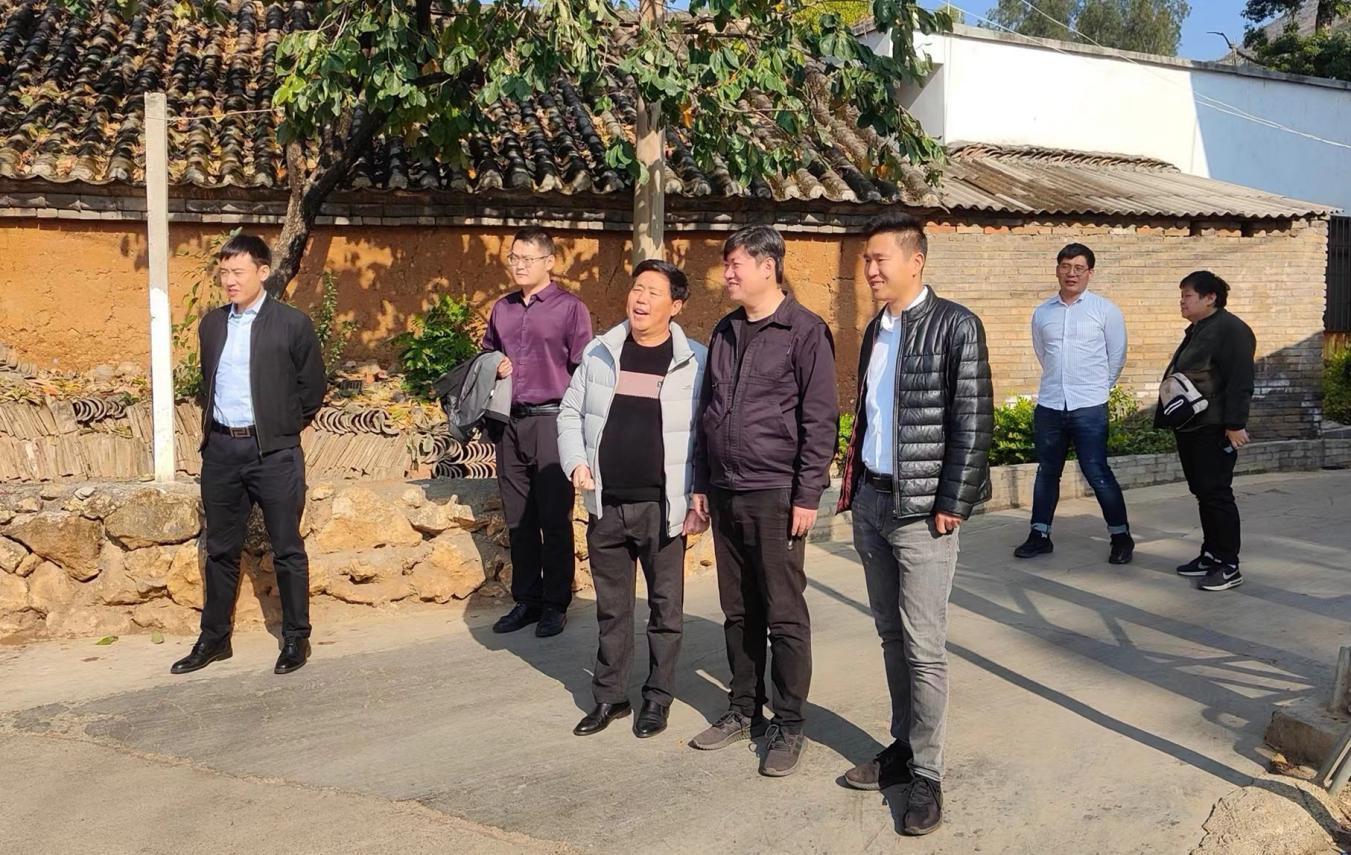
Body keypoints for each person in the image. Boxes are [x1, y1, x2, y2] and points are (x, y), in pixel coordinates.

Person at [836, 212, 993, 836]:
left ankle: (927, 773)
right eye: (867, 260)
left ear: (915, 260)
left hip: (925, 512)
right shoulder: (877, 329)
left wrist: (953, 500)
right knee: (890, 636)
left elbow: (972, 420)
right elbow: (873, 417)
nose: (870, 270)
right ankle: (902, 747)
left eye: (880, 259)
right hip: (872, 504)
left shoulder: (957, 325)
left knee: (924, 646)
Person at [688, 225, 838, 778]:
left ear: (767, 266)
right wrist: (701, 483)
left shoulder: (804, 331)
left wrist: (807, 493)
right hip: (726, 490)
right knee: (738, 610)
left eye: (735, 265)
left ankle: (789, 723)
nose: (726, 274)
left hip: (776, 493)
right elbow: (708, 412)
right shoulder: (726, 330)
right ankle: (743, 708)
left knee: (783, 612)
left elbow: (819, 419)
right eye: (726, 264)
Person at [556, 259, 708, 739]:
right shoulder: (600, 351)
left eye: (653, 292)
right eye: (636, 288)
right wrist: (576, 462)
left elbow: (707, 433)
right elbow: (570, 413)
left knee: (665, 612)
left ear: (676, 305)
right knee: (612, 609)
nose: (640, 299)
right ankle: (611, 696)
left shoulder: (695, 361)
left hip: (663, 509)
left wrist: (699, 496)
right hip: (606, 504)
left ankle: (657, 698)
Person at [170, 234, 326, 676]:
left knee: (287, 547)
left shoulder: (292, 324)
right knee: (220, 548)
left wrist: (281, 427)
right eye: (224, 272)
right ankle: (214, 639)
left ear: (263, 272)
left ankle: (295, 637)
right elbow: (209, 384)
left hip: (273, 452)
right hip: (222, 450)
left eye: (238, 272)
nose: (230, 280)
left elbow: (312, 388)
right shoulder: (212, 324)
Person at [483, 227, 593, 638]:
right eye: (514, 257)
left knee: (554, 516)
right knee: (518, 517)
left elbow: (584, 370)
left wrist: (582, 430)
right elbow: (486, 353)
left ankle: (555, 603)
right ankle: (526, 599)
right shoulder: (503, 308)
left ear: (550, 262)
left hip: (553, 420)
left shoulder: (570, 309)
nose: (519, 265)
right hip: (510, 421)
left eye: (527, 258)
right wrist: (494, 365)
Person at [1014, 243, 1134, 564]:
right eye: (1066, 266)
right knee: (1047, 473)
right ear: (1057, 269)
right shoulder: (1043, 313)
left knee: (1097, 472)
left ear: (1090, 273)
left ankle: (1121, 537)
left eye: (1079, 268)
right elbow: (1044, 354)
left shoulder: (1105, 310)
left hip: (1089, 407)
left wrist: (1096, 389)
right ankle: (1039, 535)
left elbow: (1116, 357)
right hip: (1051, 405)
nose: (1072, 273)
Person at [1156, 271, 1255, 592]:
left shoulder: (1231, 330)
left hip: (1214, 428)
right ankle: (1211, 554)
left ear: (1210, 297)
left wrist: (1235, 425)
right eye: (1182, 295)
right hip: (1193, 426)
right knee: (1203, 492)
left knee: (1217, 494)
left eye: (1187, 295)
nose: (1182, 301)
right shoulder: (1201, 328)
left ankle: (1228, 565)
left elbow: (1240, 380)